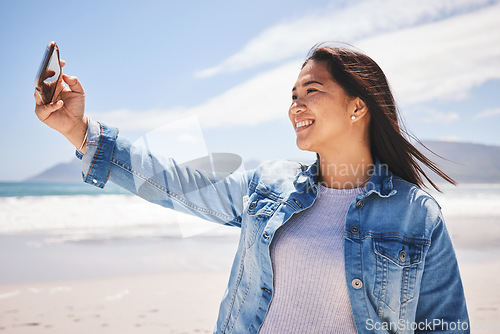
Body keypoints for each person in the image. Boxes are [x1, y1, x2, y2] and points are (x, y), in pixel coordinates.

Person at [34, 43, 470, 334]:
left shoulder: (416, 215)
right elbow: (175, 183)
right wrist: (80, 131)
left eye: (311, 91)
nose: (295, 105)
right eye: (293, 94)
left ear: (358, 106)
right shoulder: (270, 186)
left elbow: (445, 326)